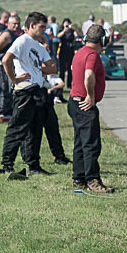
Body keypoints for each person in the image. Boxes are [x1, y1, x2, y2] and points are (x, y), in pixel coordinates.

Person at [0, 12, 58, 175]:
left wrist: (38, 68)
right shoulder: (22, 41)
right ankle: (7, 164)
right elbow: (6, 59)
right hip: (25, 90)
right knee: (17, 128)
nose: (44, 30)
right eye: (41, 27)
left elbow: (53, 67)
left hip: (37, 89)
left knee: (35, 129)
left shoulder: (38, 45)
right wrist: (14, 78)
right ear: (31, 26)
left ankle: (33, 164)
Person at [69, 24, 114, 192]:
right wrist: (90, 95)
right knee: (91, 144)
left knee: (80, 143)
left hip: (74, 102)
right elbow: (88, 75)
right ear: (102, 40)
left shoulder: (80, 52)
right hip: (84, 103)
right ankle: (92, 180)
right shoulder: (93, 55)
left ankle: (78, 178)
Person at [0, 15, 23, 122]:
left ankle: (9, 112)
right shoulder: (6, 35)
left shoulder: (15, 35)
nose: (16, 26)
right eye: (14, 23)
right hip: (0, 65)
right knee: (4, 88)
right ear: (8, 24)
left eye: (18, 23)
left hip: (10, 65)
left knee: (10, 88)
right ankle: (3, 113)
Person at [41, 73, 70, 165]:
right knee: (33, 133)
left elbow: (52, 68)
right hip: (35, 97)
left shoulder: (53, 77)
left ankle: (59, 155)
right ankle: (31, 161)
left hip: (47, 101)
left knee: (53, 128)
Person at [56, 18, 80, 97]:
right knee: (62, 69)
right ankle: (61, 83)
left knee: (70, 68)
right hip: (62, 51)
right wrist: (64, 30)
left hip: (70, 50)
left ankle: (69, 84)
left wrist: (74, 29)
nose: (67, 26)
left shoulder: (72, 31)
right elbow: (58, 36)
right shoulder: (61, 31)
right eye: (65, 24)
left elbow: (77, 36)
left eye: (68, 24)